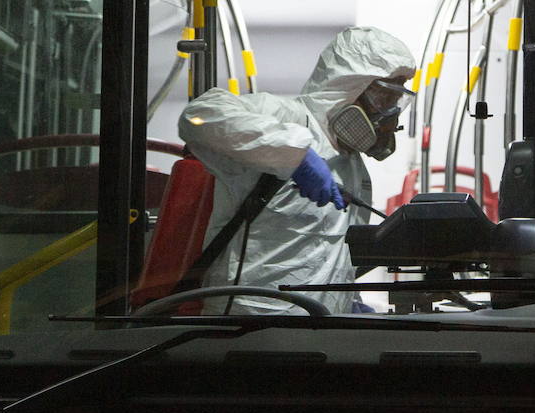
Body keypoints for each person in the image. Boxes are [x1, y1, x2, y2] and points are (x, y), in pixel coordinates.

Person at [178, 25, 416, 314]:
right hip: (252, 325)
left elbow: (330, 255)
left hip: (320, 326)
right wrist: (294, 156)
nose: (390, 112)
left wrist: (348, 303)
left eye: (397, 100)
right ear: (349, 84)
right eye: (384, 96)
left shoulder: (353, 166)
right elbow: (200, 115)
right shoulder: (287, 117)